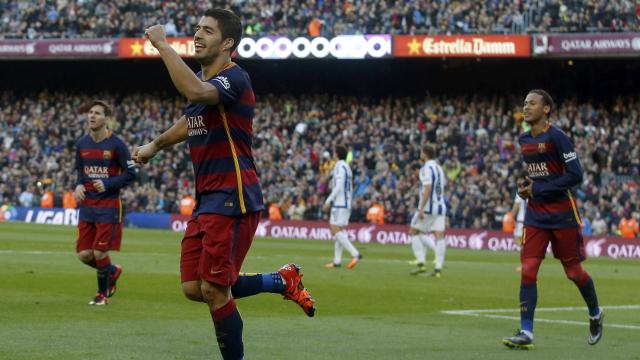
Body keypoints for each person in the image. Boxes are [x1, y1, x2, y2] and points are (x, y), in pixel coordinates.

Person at [131, 9, 315, 360]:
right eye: (197, 28)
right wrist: (155, 146)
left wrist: (162, 46)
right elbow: (190, 121)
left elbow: (197, 93)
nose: (198, 34)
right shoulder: (206, 89)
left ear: (227, 42)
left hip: (233, 197)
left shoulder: (234, 79)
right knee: (193, 287)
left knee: (215, 290)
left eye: (208, 30)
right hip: (208, 200)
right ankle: (281, 281)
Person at [503, 89, 603, 350]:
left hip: (562, 214)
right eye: (524, 103)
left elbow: (575, 175)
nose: (526, 107)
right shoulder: (524, 139)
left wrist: (538, 189)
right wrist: (525, 188)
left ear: (546, 109)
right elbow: (537, 178)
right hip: (536, 214)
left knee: (573, 272)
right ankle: (526, 331)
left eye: (532, 103)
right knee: (528, 269)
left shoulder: (558, 138)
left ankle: (595, 312)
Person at [74, 100, 136, 306]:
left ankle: (102, 296)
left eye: (97, 113)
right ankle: (112, 271)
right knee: (84, 254)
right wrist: (78, 186)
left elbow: (130, 173)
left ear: (107, 119)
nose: (91, 116)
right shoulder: (82, 144)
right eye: (90, 112)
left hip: (109, 207)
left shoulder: (117, 145)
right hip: (87, 206)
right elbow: (80, 172)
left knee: (100, 252)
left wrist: (108, 183)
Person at [408, 145, 447, 277]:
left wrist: (421, 208)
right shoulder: (439, 168)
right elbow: (441, 187)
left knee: (413, 231)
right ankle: (438, 269)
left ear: (424, 154)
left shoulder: (425, 168)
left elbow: (428, 188)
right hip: (441, 206)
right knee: (439, 235)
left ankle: (421, 264)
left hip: (429, 207)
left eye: (421, 152)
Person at [323, 144, 361, 269]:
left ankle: (355, 253)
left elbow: (339, 186)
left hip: (340, 203)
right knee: (338, 230)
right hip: (346, 202)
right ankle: (337, 261)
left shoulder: (339, 166)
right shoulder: (347, 167)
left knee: (334, 228)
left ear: (337, 154)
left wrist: (328, 200)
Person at [510, 192, 527, 272]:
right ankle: (528, 264)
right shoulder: (535, 189)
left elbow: (516, 205)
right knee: (526, 243)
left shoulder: (521, 190)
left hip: (522, 221)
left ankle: (524, 265)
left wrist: (511, 217)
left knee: (520, 242)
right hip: (533, 221)